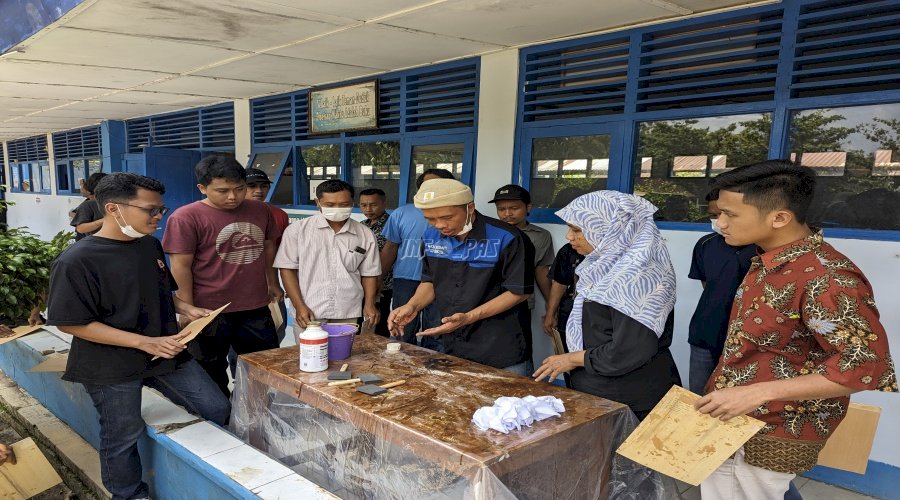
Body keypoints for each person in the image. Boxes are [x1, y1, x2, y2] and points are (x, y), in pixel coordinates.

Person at [694, 160, 896, 499]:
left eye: (731, 214)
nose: (720, 223)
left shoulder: (826, 278)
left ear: (779, 218)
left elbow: (866, 366)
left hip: (769, 426)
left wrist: (756, 393)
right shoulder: (768, 259)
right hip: (740, 416)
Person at [46, 172, 230, 500]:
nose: (159, 216)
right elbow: (71, 323)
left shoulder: (149, 245)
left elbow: (162, 290)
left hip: (164, 353)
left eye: (161, 209)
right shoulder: (76, 261)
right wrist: (142, 341)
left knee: (215, 406)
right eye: (151, 210)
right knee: (122, 434)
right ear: (114, 209)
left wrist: (186, 309)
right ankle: (130, 495)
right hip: (109, 364)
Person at [533, 191, 681, 420]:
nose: (569, 236)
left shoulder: (635, 277)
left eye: (577, 229)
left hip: (629, 399)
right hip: (600, 389)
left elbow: (627, 351)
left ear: (610, 228)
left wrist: (570, 359)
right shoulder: (604, 266)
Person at [162, 155, 282, 397]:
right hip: (208, 310)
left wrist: (273, 282)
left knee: (263, 366)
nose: (232, 197)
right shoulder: (186, 217)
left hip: (254, 305)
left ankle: (255, 415)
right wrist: (186, 307)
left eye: (239, 189)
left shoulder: (261, 211)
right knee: (211, 369)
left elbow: (268, 247)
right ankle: (220, 419)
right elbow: (180, 266)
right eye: (222, 191)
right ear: (202, 188)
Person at [388, 178, 534, 374]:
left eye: (447, 217)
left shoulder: (507, 237)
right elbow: (430, 281)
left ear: (470, 208)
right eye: (430, 219)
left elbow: (518, 292)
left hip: (500, 346)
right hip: (454, 345)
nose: (439, 225)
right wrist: (412, 305)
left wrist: (468, 317)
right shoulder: (430, 238)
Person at [275, 180, 380, 329]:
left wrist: (369, 304)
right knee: (311, 352)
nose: (337, 209)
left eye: (344, 205)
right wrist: (299, 306)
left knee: (346, 352)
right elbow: (287, 269)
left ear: (352, 202)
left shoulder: (365, 234)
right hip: (309, 311)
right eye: (330, 205)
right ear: (318, 202)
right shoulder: (297, 231)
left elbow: (369, 273)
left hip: (348, 311)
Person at [687, 192, 757, 395]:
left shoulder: (763, 249)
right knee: (700, 399)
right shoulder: (705, 244)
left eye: (727, 214)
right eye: (714, 215)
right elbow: (708, 285)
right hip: (705, 333)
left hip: (748, 342)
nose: (720, 222)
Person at [380, 168, 453, 349]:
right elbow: (390, 247)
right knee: (402, 327)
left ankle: (432, 368)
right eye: (426, 186)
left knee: (436, 330)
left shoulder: (457, 217)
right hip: (406, 278)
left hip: (442, 281)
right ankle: (401, 367)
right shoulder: (401, 214)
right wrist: (378, 279)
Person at [490, 184, 554, 373]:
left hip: (519, 301)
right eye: (501, 209)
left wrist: (552, 307)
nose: (507, 213)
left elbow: (540, 271)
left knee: (518, 350)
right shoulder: (488, 233)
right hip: (485, 299)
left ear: (528, 207)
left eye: (514, 208)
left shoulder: (540, 236)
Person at [244, 167, 289, 343]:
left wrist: (275, 283)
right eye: (252, 186)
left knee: (275, 334)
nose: (259, 191)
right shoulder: (229, 214)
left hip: (270, 287)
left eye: (263, 186)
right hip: (237, 291)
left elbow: (283, 255)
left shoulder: (278, 215)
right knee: (239, 349)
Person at [359, 188, 392, 337]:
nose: (368, 209)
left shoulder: (392, 225)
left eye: (373, 205)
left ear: (384, 203)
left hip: (383, 283)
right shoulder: (361, 226)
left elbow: (389, 254)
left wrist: (379, 281)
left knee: (378, 323)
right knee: (361, 323)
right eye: (363, 205)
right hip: (360, 282)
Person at [542, 242, 585, 346]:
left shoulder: (617, 251)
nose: (569, 236)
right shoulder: (569, 249)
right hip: (569, 314)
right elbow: (560, 283)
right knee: (568, 355)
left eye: (576, 230)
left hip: (599, 319)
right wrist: (550, 314)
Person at [70, 172, 107, 241]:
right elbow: (81, 228)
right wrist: (104, 220)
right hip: (92, 243)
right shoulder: (88, 204)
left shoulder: (115, 202)